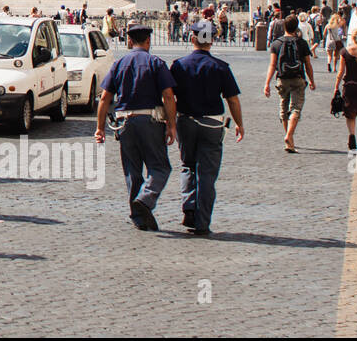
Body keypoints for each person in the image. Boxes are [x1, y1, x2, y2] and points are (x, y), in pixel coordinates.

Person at [94, 23, 176, 231]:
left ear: (130, 41)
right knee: (160, 167)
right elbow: (168, 96)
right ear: (148, 41)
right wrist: (172, 125)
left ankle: (139, 216)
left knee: (132, 171)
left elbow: (104, 98)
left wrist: (100, 127)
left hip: (124, 123)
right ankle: (146, 199)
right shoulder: (156, 63)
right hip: (150, 121)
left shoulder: (120, 63)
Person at [170, 20, 244, 235]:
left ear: (192, 38)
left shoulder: (179, 65)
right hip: (212, 124)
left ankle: (189, 206)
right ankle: (203, 223)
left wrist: (170, 123)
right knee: (208, 175)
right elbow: (233, 99)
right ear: (212, 41)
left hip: (185, 122)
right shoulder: (220, 67)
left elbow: (169, 97)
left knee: (187, 166)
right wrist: (239, 123)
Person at [263, 15, 315, 153]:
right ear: (296, 26)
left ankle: (289, 140)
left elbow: (272, 65)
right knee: (296, 109)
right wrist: (312, 80)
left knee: (284, 107)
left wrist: (267, 83)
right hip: (298, 78)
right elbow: (308, 64)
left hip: (282, 78)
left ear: (283, 27)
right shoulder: (302, 43)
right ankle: (289, 136)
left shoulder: (276, 43)